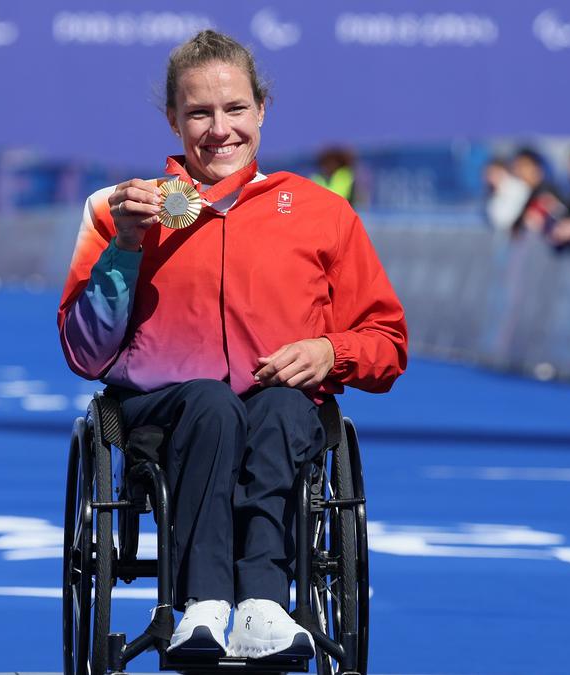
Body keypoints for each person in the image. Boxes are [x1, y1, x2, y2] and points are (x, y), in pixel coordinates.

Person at [57, 30, 407, 660]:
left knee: (279, 407)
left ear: (262, 110)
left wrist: (331, 352)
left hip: (281, 410)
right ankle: (203, 605)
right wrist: (127, 246)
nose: (220, 130)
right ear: (173, 120)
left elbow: (387, 342)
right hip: (163, 416)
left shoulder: (322, 213)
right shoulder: (120, 210)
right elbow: (85, 353)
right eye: (199, 113)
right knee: (211, 405)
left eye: (236, 108)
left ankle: (264, 606)